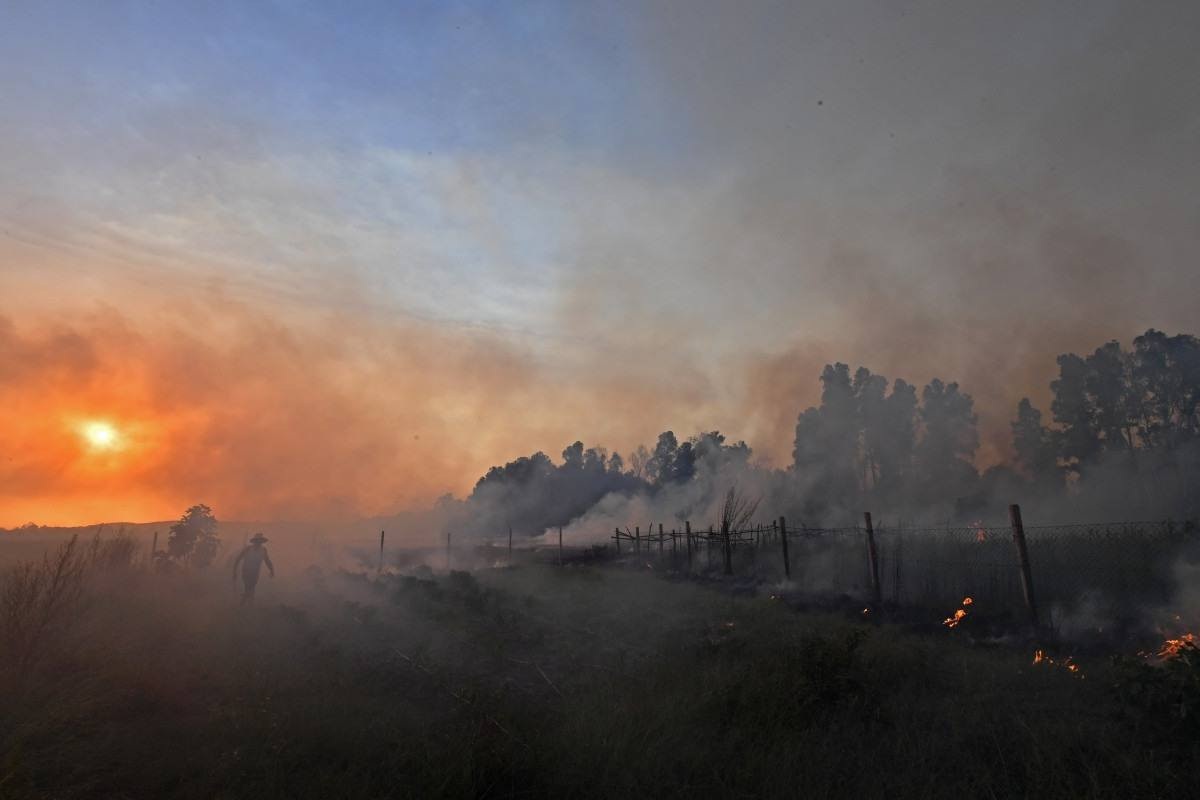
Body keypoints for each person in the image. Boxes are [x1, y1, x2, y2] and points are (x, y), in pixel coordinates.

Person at [232, 533, 275, 604]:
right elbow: (238, 559)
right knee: (249, 586)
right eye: (257, 541)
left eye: (260, 541)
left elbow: (267, 561)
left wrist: (272, 570)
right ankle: (246, 602)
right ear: (254, 542)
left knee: (251, 587)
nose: (258, 543)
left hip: (255, 573)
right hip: (246, 571)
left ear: (262, 542)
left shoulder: (263, 550)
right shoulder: (248, 549)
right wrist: (234, 571)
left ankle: (246, 602)